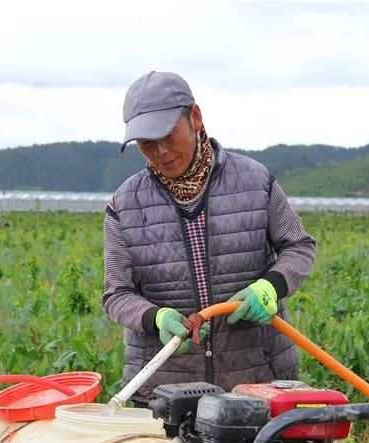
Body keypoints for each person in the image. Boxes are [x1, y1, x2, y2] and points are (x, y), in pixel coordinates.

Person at [102, 71, 316, 404]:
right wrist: (154, 317)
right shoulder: (125, 205)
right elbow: (117, 293)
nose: (160, 152)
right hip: (164, 390)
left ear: (196, 118)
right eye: (146, 143)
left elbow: (299, 247)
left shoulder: (255, 182)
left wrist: (270, 287)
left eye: (168, 134)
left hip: (257, 379)